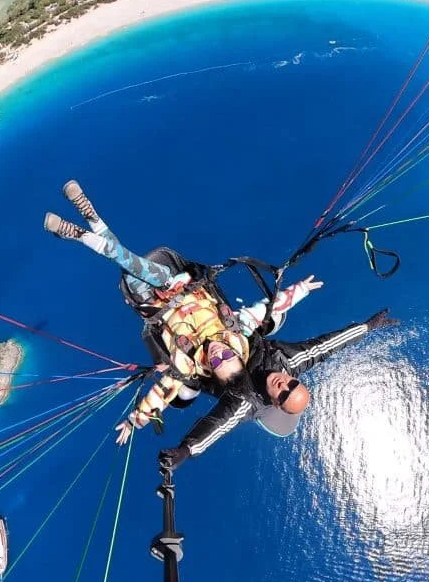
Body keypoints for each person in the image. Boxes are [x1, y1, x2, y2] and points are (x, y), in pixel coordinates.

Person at [44, 179, 322, 443]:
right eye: (227, 355)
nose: (218, 354)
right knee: (130, 263)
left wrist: (134, 421)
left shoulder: (186, 366)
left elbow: (161, 394)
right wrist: (300, 290)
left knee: (128, 265)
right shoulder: (236, 333)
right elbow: (266, 310)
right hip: (175, 281)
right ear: (236, 354)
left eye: (216, 362)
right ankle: (78, 233)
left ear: (211, 370)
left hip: (154, 302)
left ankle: (88, 217)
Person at [157, 308, 399, 473]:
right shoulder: (290, 361)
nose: (283, 385)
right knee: (273, 316)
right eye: (292, 384)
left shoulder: (247, 402)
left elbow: (218, 426)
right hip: (234, 338)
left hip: (207, 365)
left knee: (185, 392)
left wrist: (185, 451)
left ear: (274, 403)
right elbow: (327, 346)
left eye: (283, 394)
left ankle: (186, 383)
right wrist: (367, 327)